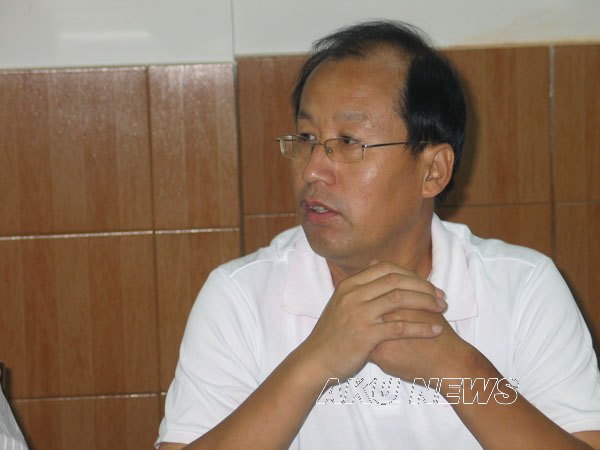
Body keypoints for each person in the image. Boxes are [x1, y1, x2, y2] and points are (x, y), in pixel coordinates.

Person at [156, 20, 600, 449]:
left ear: (433, 170)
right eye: (306, 138)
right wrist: (316, 361)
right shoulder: (240, 296)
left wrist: (454, 367)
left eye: (349, 142)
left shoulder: (523, 288)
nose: (312, 170)